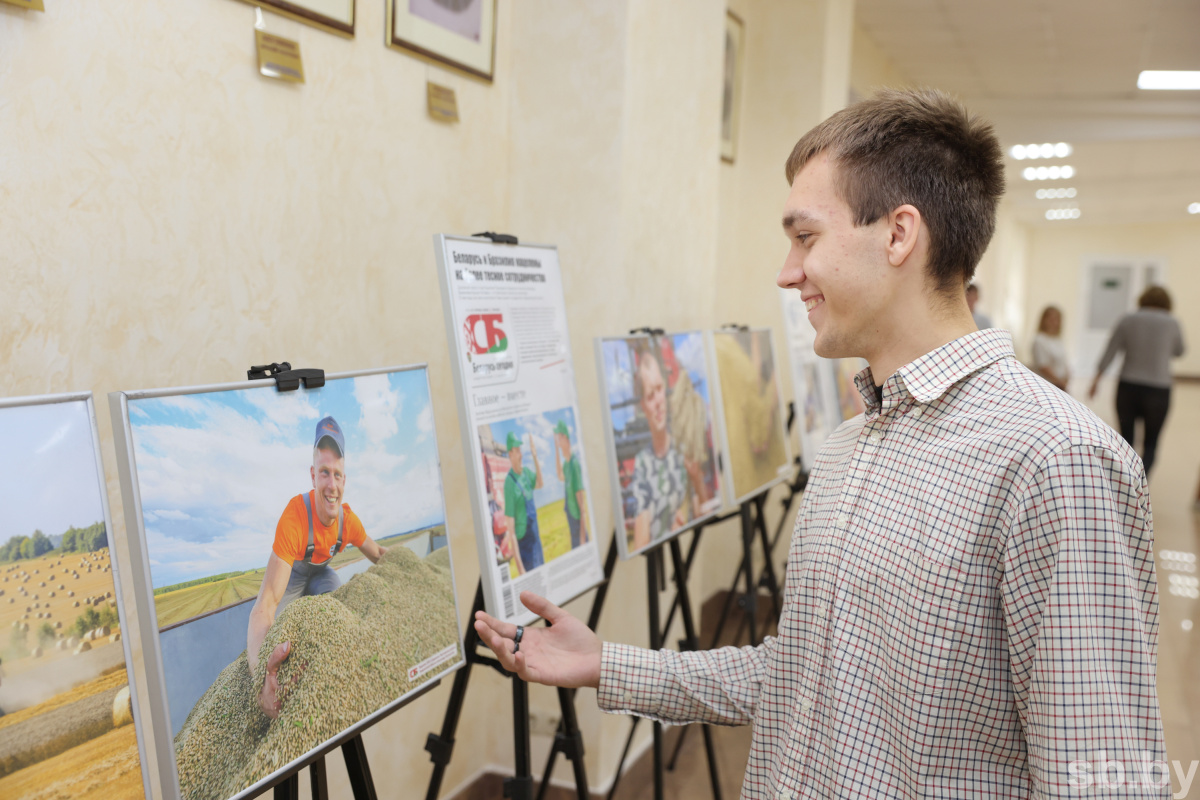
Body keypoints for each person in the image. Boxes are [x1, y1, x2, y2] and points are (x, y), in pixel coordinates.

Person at [474, 89, 1166, 798]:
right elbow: (808, 675)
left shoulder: (1056, 460)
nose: (786, 271)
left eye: (806, 238)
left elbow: (1102, 776)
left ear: (899, 235)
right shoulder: (847, 448)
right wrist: (606, 663)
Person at [247, 416, 389, 719]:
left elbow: (378, 553)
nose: (331, 485)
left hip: (322, 576)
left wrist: (406, 567)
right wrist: (261, 679)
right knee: (278, 637)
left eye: (337, 475)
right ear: (313, 476)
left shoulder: (348, 521)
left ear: (344, 480)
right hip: (293, 578)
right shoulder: (294, 518)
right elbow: (264, 606)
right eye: (324, 473)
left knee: (338, 615)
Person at [1088, 285, 1186, 474]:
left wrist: (1096, 380)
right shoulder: (1172, 322)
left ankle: (1125, 481)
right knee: (1151, 443)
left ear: (1142, 299)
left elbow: (1111, 351)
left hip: (1128, 387)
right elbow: (1180, 351)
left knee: (1126, 441)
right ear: (1167, 303)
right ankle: (1141, 484)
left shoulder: (1128, 319)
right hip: (1159, 389)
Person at [628, 342, 709, 551]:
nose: (657, 402)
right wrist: (666, 529)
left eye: (659, 389)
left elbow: (703, 513)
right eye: (649, 395)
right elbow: (641, 543)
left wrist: (697, 479)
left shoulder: (682, 449)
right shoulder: (643, 464)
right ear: (643, 405)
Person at [504, 431, 544, 572]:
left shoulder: (527, 473)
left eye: (520, 450)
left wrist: (535, 457)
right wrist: (520, 568)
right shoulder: (509, 483)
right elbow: (511, 530)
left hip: (536, 542)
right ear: (510, 454)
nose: (520, 455)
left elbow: (540, 483)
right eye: (516, 451)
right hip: (525, 548)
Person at [553, 420, 589, 549]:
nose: (558, 442)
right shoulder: (567, 465)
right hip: (574, 530)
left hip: (580, 531)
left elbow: (582, 508)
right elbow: (559, 475)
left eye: (559, 438)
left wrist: (582, 538)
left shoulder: (574, 465)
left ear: (566, 438)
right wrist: (556, 449)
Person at [1031, 304, 1070, 390]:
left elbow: (1063, 362)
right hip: (1048, 385)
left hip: (1060, 385)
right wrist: (1059, 381)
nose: (1054, 322)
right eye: (1051, 319)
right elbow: (1043, 366)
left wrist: (1067, 376)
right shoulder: (1039, 340)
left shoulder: (1057, 340)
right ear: (1044, 320)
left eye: (1056, 319)